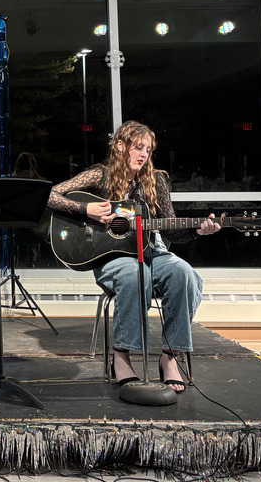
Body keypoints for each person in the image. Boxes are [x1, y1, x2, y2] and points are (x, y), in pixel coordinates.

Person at [47, 120, 221, 392]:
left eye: (148, 150)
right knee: (135, 274)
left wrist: (198, 231)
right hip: (112, 257)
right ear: (120, 146)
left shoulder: (156, 180)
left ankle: (170, 356)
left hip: (153, 251)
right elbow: (50, 195)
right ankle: (121, 355)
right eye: (138, 147)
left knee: (184, 273)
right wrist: (86, 209)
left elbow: (172, 230)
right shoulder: (100, 176)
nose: (144, 154)